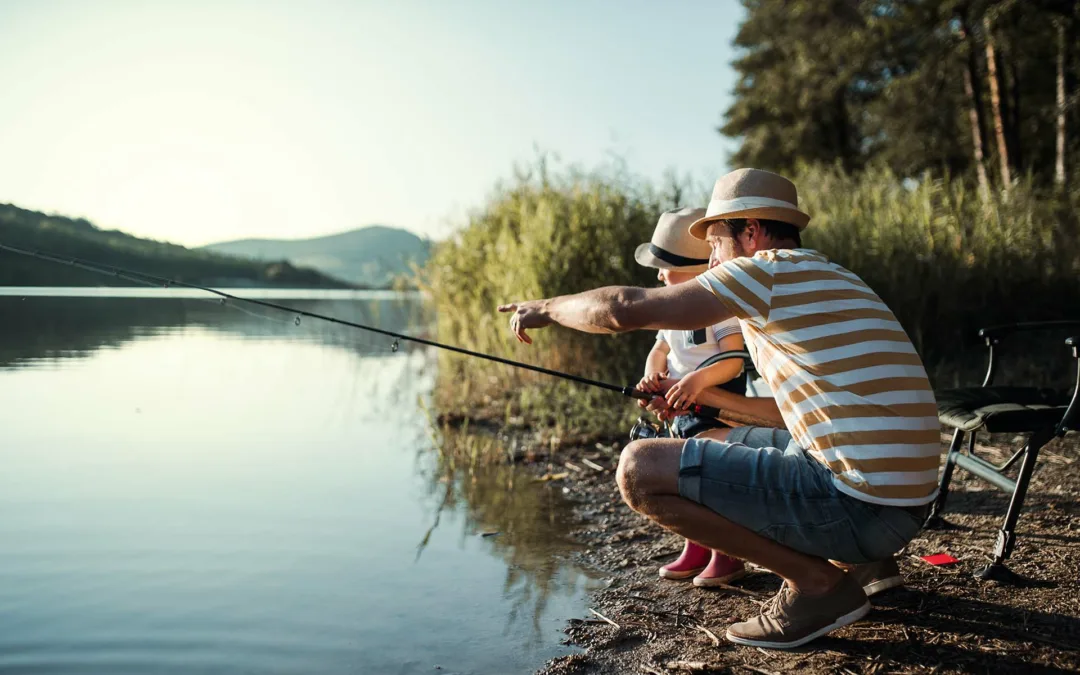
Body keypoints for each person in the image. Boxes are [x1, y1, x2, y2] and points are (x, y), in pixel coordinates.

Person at [498, 168, 939, 649]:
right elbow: (791, 416)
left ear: (750, 232)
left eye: (715, 243)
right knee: (717, 437)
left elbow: (624, 308)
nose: (711, 260)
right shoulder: (831, 278)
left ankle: (818, 587)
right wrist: (703, 397)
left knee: (640, 469)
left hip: (864, 509)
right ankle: (865, 563)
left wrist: (546, 307)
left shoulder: (763, 272)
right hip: (905, 505)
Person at [632, 206, 750, 587]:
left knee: (710, 476)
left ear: (695, 269)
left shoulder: (721, 307)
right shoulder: (672, 311)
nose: (659, 273)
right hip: (681, 407)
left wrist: (697, 382)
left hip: (717, 404)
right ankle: (696, 544)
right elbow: (660, 350)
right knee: (683, 475)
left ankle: (726, 553)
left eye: (665, 265)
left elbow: (733, 360)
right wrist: (654, 374)